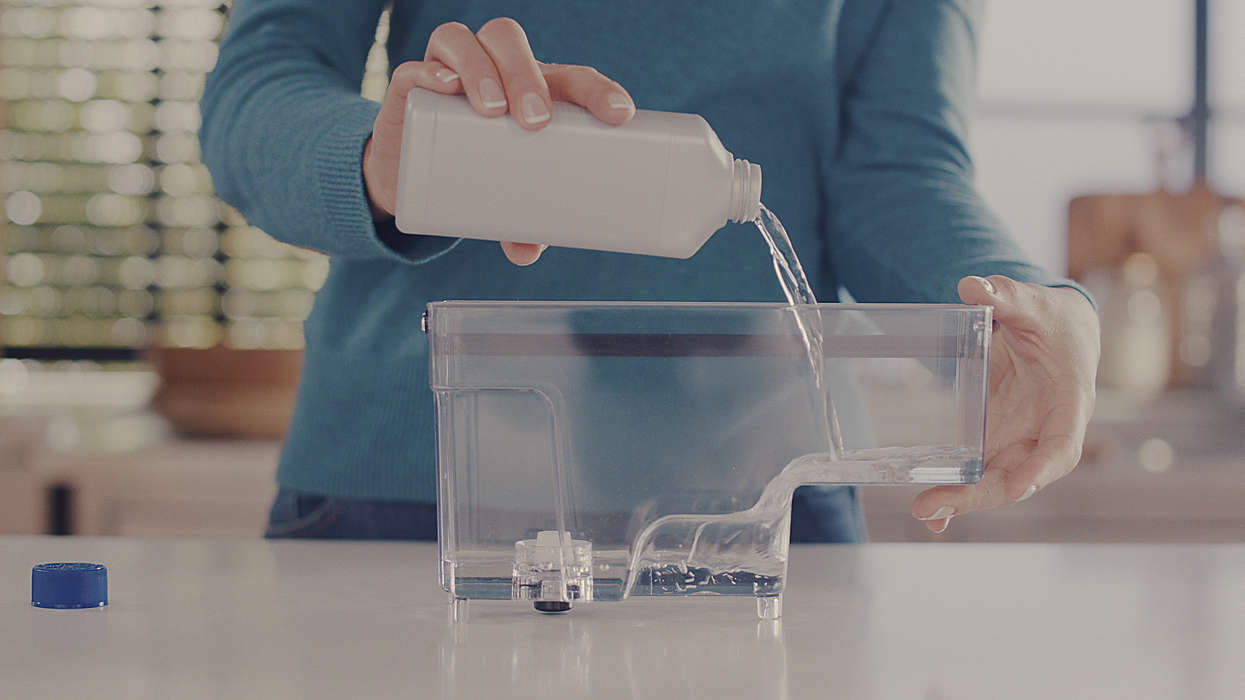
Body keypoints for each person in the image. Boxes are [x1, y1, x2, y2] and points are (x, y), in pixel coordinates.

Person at [200, 1, 1100, 542]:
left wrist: (1022, 303)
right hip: (412, 483)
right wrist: (382, 160)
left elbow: (895, 170)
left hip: (765, 498)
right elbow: (257, 86)